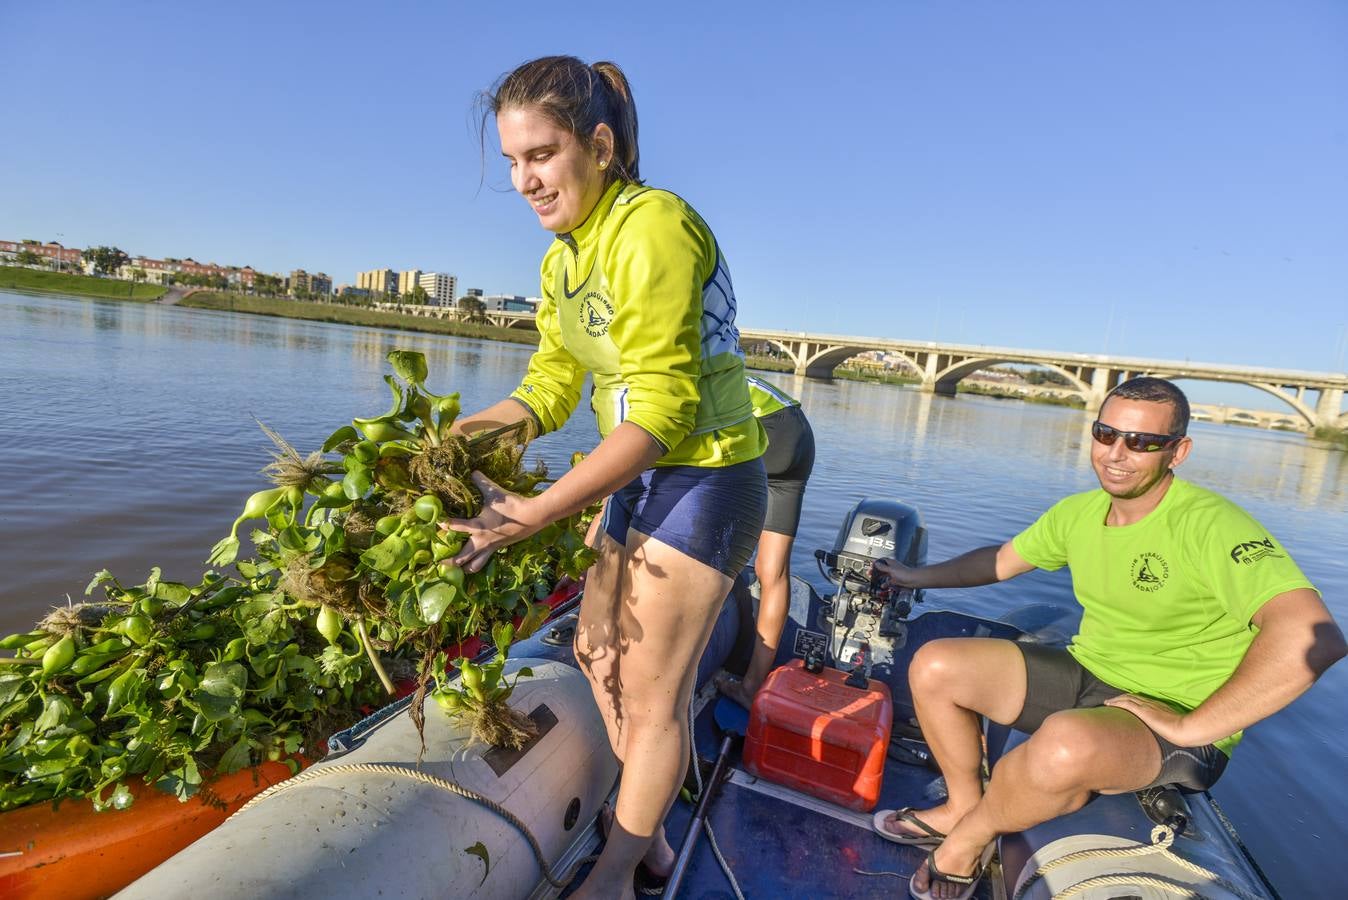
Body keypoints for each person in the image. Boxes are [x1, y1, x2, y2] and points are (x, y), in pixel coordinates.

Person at [446, 56, 767, 900]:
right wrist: (451, 439)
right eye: (513, 161)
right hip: (634, 474)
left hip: (707, 477)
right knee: (593, 648)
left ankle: (619, 872)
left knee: (655, 694)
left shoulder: (652, 225)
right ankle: (651, 833)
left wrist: (540, 510)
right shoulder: (563, 260)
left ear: (598, 143)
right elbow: (552, 385)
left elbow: (661, 411)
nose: (524, 180)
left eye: (542, 155)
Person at [869, 377, 1345, 900]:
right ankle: (963, 802)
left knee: (1064, 745)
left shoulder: (1211, 524)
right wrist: (916, 576)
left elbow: (1311, 635)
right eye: (1106, 434)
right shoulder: (1080, 513)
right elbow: (999, 561)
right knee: (937, 664)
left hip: (1175, 715)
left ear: (1178, 452)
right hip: (1093, 671)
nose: (1117, 454)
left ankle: (972, 834)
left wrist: (1193, 725)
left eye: (1143, 442)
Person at [716, 374, 816, 708]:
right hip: (798, 432)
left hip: (765, 429)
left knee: (707, 547)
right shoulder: (717, 361)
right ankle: (751, 688)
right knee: (772, 572)